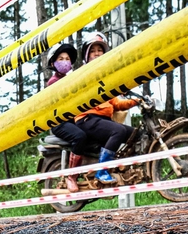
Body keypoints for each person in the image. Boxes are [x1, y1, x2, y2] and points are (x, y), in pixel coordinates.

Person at [73, 31, 142, 183]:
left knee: (136, 134)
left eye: (100, 50)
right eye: (93, 51)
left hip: (103, 120)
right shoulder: (82, 74)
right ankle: (102, 170)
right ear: (86, 55)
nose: (97, 54)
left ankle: (126, 167)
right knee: (118, 130)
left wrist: (136, 101)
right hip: (87, 118)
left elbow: (116, 103)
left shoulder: (104, 78)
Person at [44, 42, 91, 191]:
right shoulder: (54, 82)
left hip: (72, 120)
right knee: (80, 136)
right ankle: (72, 176)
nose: (65, 61)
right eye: (61, 59)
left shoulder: (69, 79)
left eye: (67, 59)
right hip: (59, 122)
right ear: (53, 63)